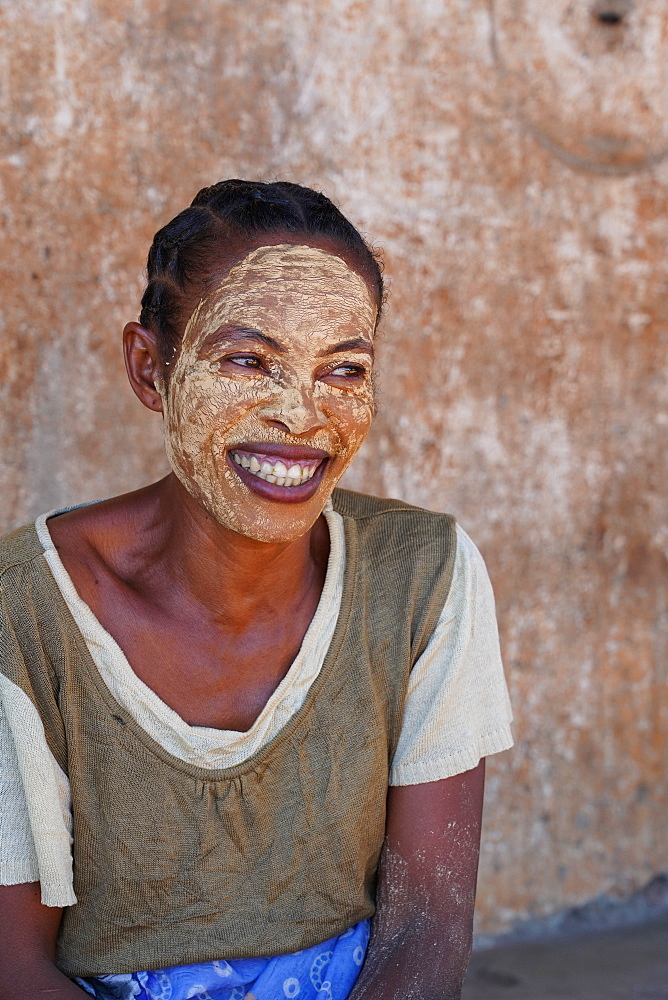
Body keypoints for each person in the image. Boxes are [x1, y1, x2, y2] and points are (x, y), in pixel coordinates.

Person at [0, 180, 513, 1000]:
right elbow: (10, 966)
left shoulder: (424, 577)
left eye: (343, 369)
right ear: (149, 367)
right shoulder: (23, 609)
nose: (302, 417)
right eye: (248, 359)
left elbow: (425, 932)